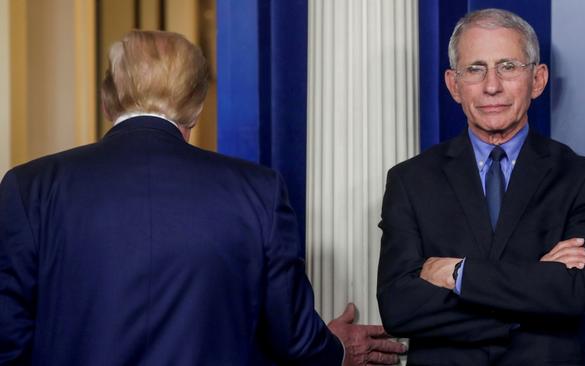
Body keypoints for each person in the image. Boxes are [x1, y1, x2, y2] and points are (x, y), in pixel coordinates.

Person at [0, 30, 405, 365]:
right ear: (196, 107)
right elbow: (294, 338)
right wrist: (336, 350)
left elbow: (8, 340)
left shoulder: (29, 187)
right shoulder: (257, 190)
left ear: (108, 100)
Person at [377, 8, 585, 366]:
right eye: (475, 69)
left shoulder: (582, 178)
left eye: (508, 66)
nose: (491, 86)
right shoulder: (410, 180)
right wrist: (533, 286)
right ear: (454, 85)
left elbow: (570, 294)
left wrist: (456, 274)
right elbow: (399, 309)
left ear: (538, 79)